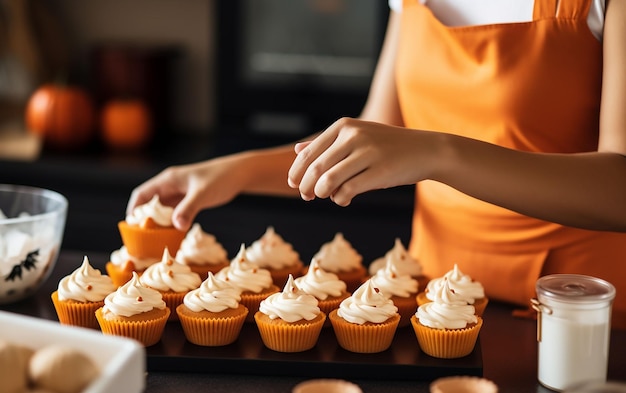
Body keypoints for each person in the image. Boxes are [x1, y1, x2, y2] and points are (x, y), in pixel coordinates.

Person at [128, 0, 626, 328]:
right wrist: (233, 171)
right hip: (431, 301)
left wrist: (437, 152)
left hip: (577, 311)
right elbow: (370, 138)